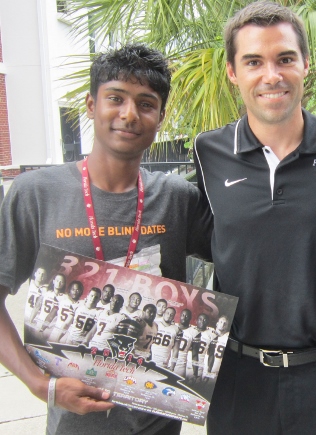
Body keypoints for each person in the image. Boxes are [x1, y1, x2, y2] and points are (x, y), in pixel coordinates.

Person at [0, 44, 211, 435]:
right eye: (115, 98)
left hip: (158, 421)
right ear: (90, 104)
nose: (129, 115)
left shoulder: (179, 198)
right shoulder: (35, 193)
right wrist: (39, 384)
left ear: (161, 117)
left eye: (146, 104)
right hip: (72, 425)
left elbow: (243, 258)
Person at [194, 2, 316, 433]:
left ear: (305, 65)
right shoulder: (207, 153)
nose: (271, 75)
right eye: (253, 61)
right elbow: (198, 251)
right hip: (237, 379)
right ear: (233, 72)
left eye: (285, 59)